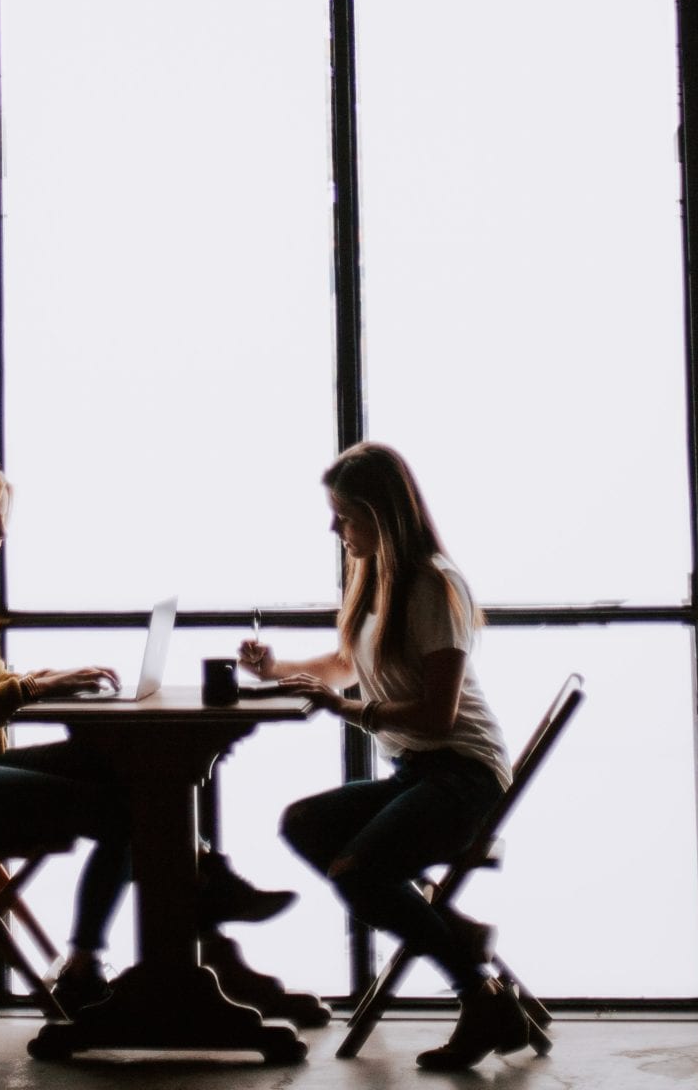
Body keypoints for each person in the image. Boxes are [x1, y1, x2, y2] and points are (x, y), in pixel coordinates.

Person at [0, 453, 291, 1013]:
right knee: (128, 808)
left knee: (120, 769)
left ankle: (198, 899)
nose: (2, 532)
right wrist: (36, 689)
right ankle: (123, 946)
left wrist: (48, 680)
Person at [240, 441, 528, 1072]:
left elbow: (437, 715)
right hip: (418, 772)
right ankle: (461, 937)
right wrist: (277, 671)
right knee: (303, 823)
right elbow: (348, 666)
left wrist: (340, 708)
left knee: (359, 871)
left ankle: (477, 993)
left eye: (345, 515)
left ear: (383, 514)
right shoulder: (378, 579)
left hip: (465, 776)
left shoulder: (433, 585)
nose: (334, 527)